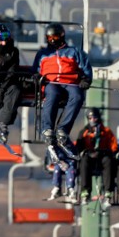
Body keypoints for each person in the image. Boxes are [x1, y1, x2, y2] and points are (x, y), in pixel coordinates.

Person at [32, 23, 92, 157]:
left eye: (55, 36)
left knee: (77, 96)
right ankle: (47, 129)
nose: (52, 39)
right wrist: (36, 77)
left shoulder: (73, 52)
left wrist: (86, 80)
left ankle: (63, 129)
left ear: (62, 36)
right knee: (52, 94)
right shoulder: (43, 54)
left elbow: (85, 68)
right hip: (51, 82)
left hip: (70, 81)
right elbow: (35, 70)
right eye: (49, 37)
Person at [74, 107, 119, 208]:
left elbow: (114, 146)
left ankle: (108, 191)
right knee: (84, 161)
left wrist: (109, 151)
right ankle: (85, 191)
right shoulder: (84, 132)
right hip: (90, 158)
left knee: (108, 161)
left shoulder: (106, 132)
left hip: (102, 158)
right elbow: (78, 146)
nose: (92, 120)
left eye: (94, 118)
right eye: (90, 118)